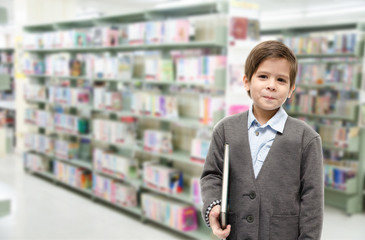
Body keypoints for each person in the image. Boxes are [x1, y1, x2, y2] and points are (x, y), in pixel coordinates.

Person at [200, 40, 324, 240]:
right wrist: (213, 205)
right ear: (247, 81)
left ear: (292, 89)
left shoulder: (306, 139)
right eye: (263, 76)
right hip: (236, 233)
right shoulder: (225, 129)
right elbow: (212, 175)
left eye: (281, 80)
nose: (271, 86)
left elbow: (312, 200)